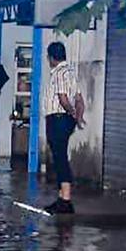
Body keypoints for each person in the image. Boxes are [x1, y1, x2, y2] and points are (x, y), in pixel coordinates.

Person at [41, 42, 84, 214]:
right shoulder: (71, 72)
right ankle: (61, 198)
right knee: (60, 156)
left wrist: (72, 113)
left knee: (60, 158)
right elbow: (79, 99)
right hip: (64, 120)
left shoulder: (59, 72)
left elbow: (63, 98)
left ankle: (65, 199)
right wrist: (78, 117)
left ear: (51, 57)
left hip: (58, 119)